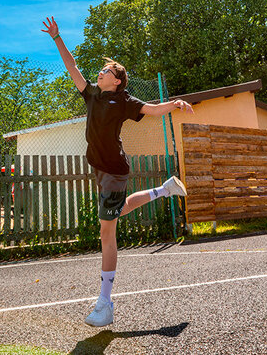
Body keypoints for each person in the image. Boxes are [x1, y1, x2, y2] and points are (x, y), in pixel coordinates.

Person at [42, 16, 192, 327]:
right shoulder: (93, 94)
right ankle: (164, 190)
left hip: (114, 170)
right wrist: (57, 38)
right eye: (101, 70)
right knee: (117, 212)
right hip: (98, 167)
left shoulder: (123, 100)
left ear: (117, 80)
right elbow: (73, 68)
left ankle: (105, 303)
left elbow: (151, 110)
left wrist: (175, 103)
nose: (100, 72)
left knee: (106, 231)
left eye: (107, 71)